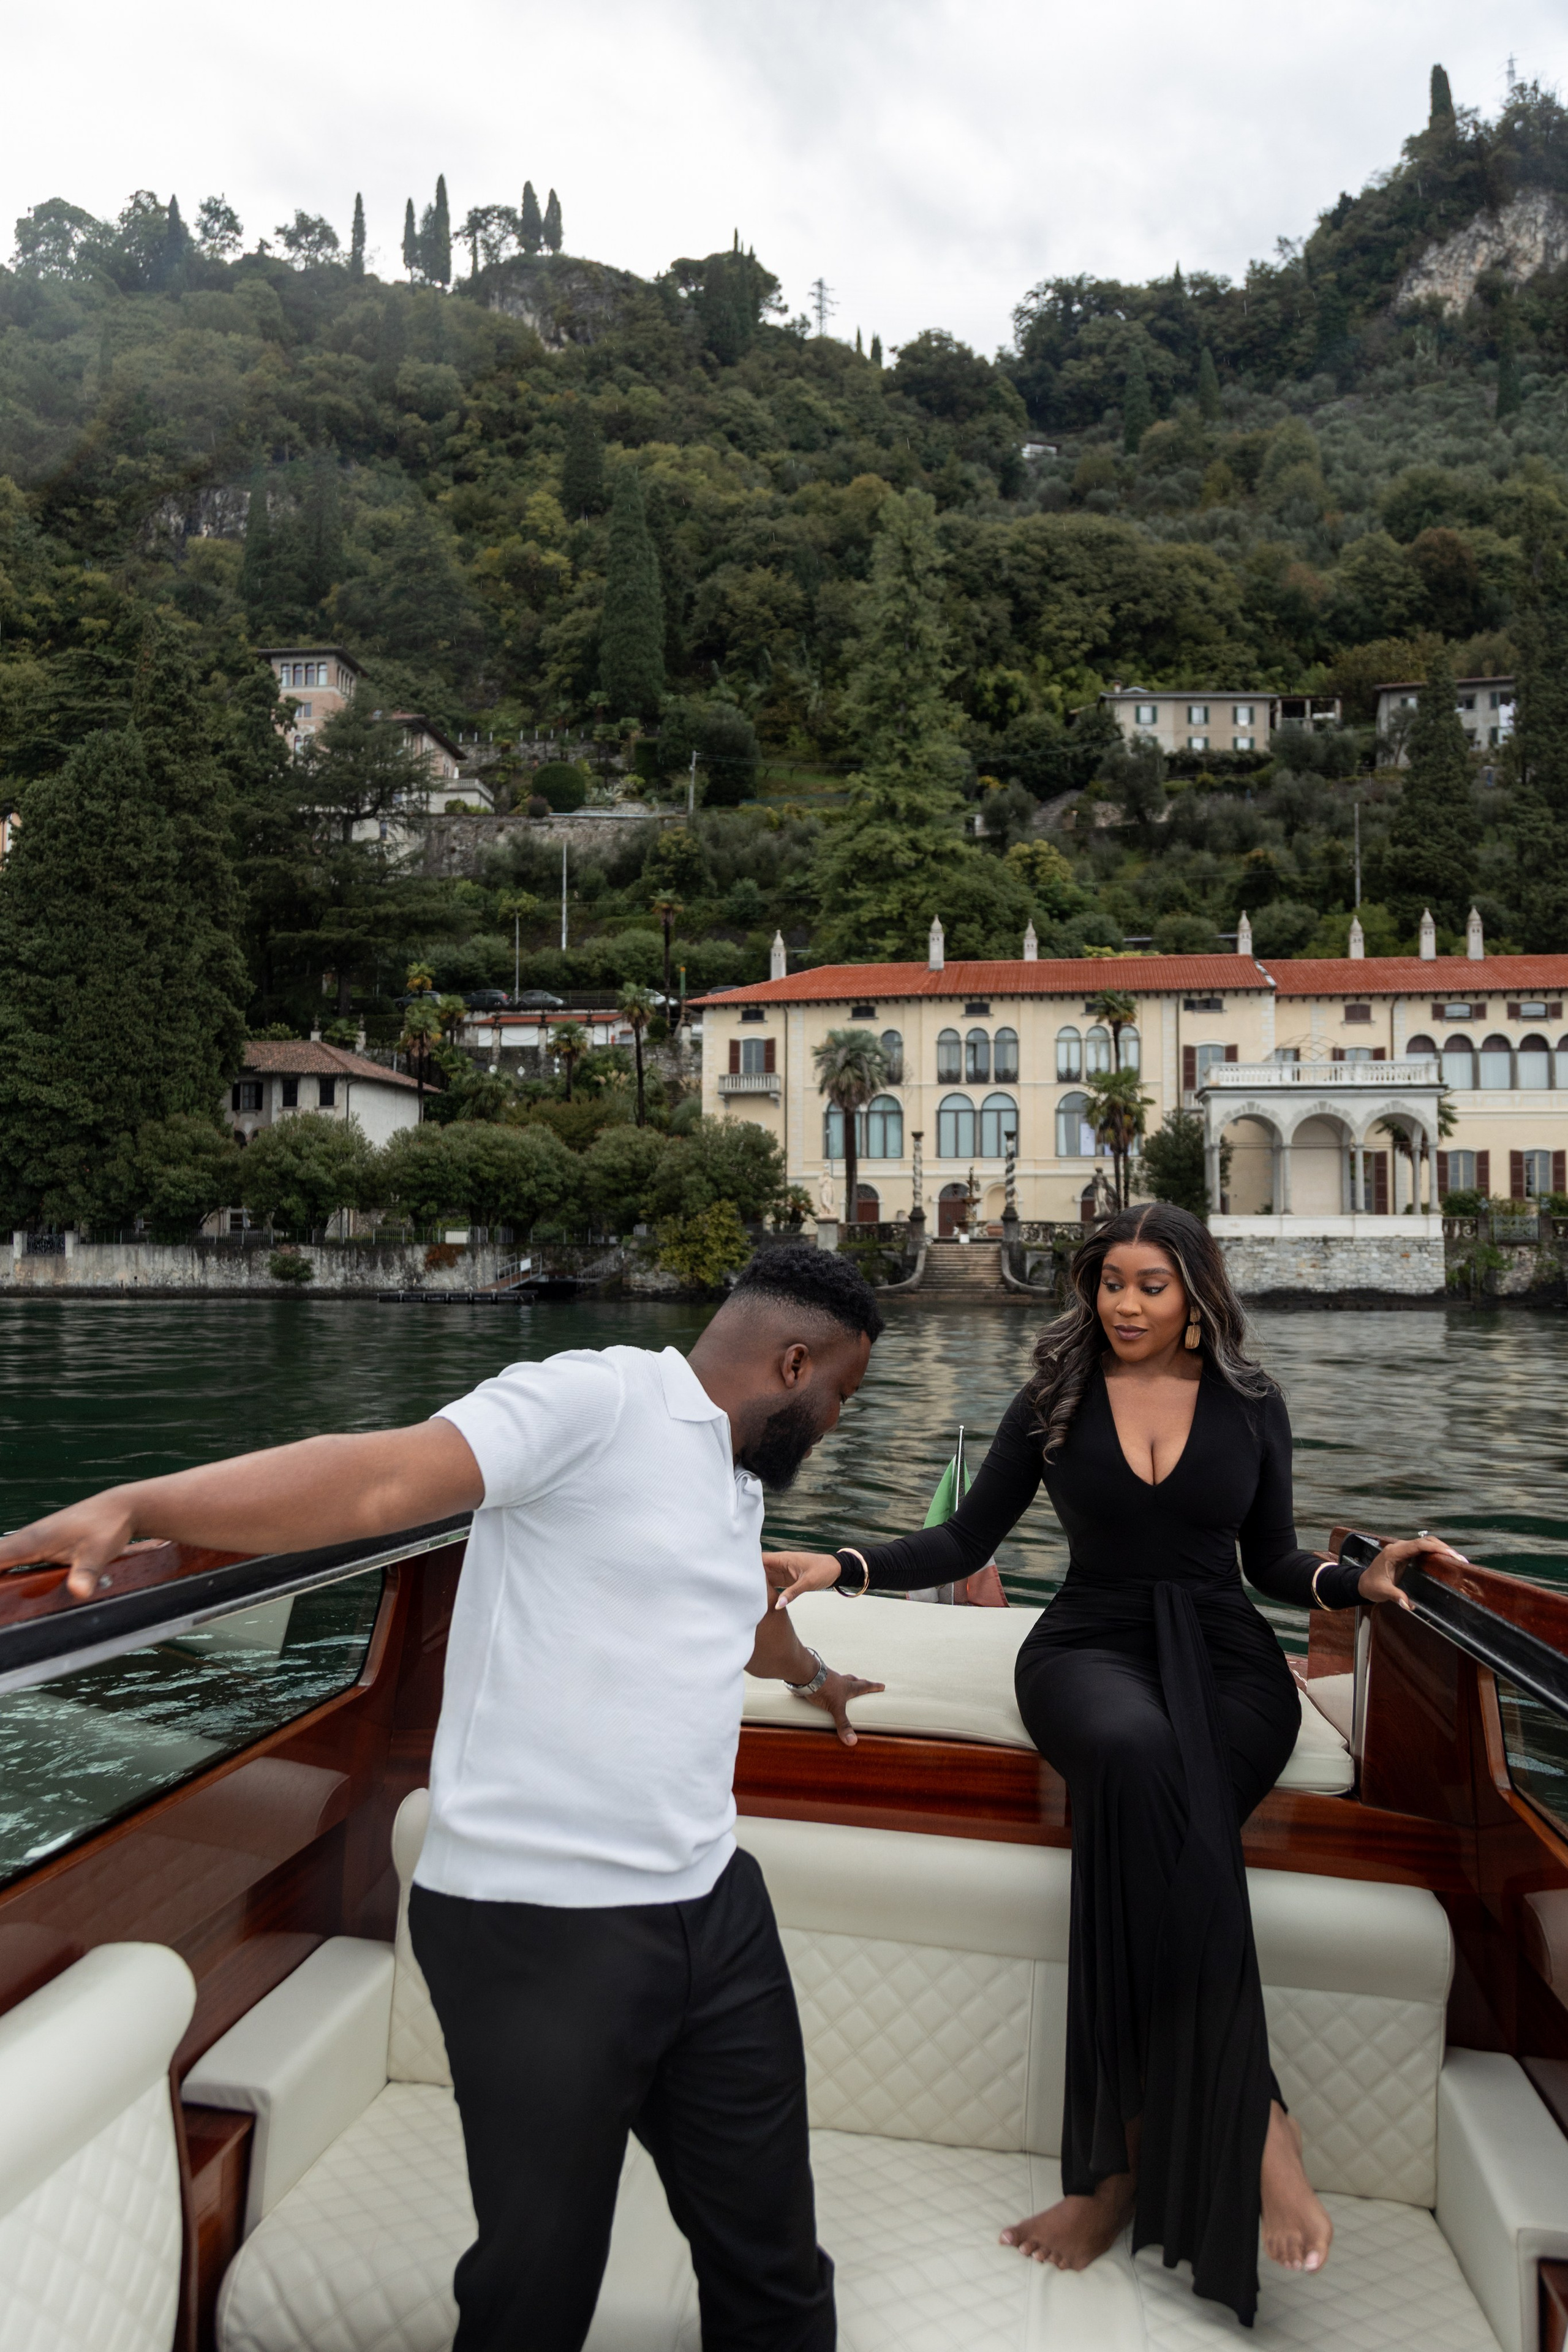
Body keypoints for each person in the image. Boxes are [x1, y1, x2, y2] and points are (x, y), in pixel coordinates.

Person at [0, 1244, 890, 2352]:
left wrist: (814, 1678)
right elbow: (378, 1479)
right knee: (536, 2289)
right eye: (844, 1395)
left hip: (714, 1908)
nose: (841, 1422)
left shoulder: (730, 1478)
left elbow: (737, 1613)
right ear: (794, 1364)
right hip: (540, 1929)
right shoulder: (597, 1397)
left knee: (777, 2267)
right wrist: (141, 1505)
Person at [766, 1202, 1469, 2329]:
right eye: (1108, 1284)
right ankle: (1257, 2120)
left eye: (1150, 1285)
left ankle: (1119, 2172)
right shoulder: (1051, 1400)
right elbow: (962, 1545)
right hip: (1087, 1646)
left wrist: (1365, 1579)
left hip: (1230, 1662)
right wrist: (842, 1561)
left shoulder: (1253, 1404)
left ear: (1196, 1293)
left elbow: (1277, 1559)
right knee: (1137, 1755)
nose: (1125, 1305)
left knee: (1154, 1806)